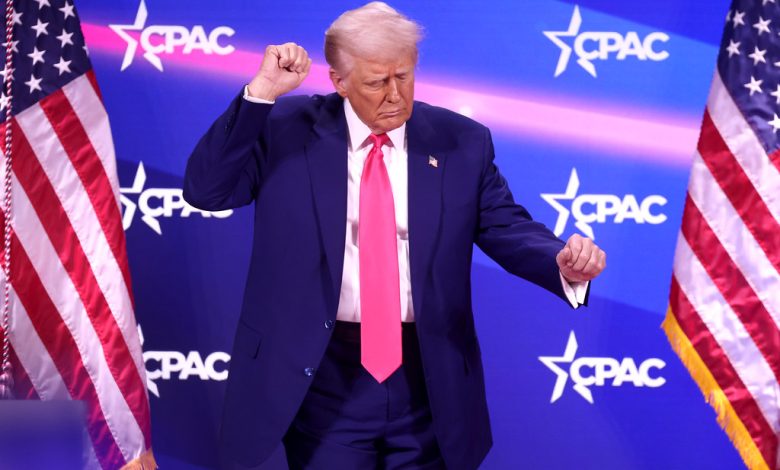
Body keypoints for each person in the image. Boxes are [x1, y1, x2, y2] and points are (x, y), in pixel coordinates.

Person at [183, 2, 606, 469]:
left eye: (403, 76)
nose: (395, 95)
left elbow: (506, 224)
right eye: (376, 82)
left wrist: (558, 260)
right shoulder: (285, 129)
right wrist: (261, 93)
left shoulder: (461, 141)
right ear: (339, 81)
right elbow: (207, 191)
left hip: (430, 379)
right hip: (321, 374)